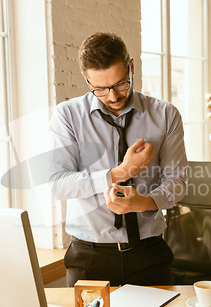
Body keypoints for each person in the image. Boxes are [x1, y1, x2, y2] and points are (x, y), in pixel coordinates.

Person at [48, 32, 187, 287]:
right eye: (99, 88)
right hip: (89, 259)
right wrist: (120, 172)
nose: (112, 96)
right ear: (86, 79)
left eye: (120, 84)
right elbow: (58, 184)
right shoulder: (67, 116)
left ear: (131, 67)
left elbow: (177, 182)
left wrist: (144, 202)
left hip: (150, 256)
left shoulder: (166, 115)